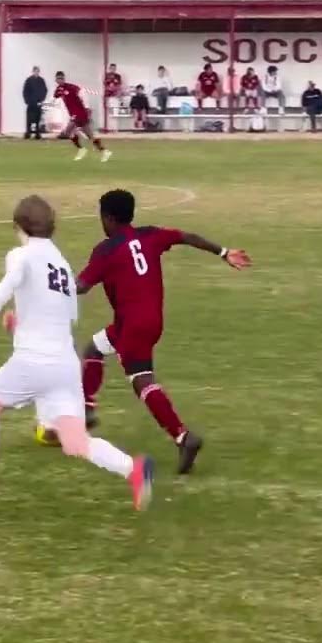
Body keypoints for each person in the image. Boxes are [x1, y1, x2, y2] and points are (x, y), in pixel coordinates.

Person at [0, 195, 155, 510]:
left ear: (18, 226)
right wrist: (22, 323)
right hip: (65, 364)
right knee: (75, 442)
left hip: (34, 361)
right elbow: (68, 314)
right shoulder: (61, 264)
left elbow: (8, 284)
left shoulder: (21, 255)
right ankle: (134, 470)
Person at [76, 189, 251, 475]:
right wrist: (223, 252)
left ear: (108, 218)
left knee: (141, 381)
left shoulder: (105, 251)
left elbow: (81, 286)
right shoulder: (149, 235)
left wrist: (53, 285)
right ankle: (86, 408)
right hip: (145, 321)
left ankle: (183, 437)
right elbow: (187, 237)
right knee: (94, 348)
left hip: (134, 326)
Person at [53, 71, 111, 162]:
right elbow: (56, 96)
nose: (60, 80)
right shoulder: (59, 89)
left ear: (64, 79)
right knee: (89, 135)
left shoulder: (71, 87)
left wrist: (87, 107)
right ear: (56, 80)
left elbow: (82, 92)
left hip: (79, 112)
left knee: (68, 131)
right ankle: (104, 151)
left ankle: (81, 149)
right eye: (58, 79)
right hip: (73, 113)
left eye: (61, 78)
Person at [22, 66, 47, 140]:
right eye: (35, 71)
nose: (36, 73)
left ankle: (37, 133)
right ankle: (28, 132)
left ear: (38, 72)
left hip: (38, 102)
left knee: (38, 119)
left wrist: (42, 99)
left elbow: (44, 90)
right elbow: (25, 91)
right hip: (30, 102)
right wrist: (27, 100)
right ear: (33, 72)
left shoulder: (41, 80)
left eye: (37, 71)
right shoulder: (29, 80)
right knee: (29, 118)